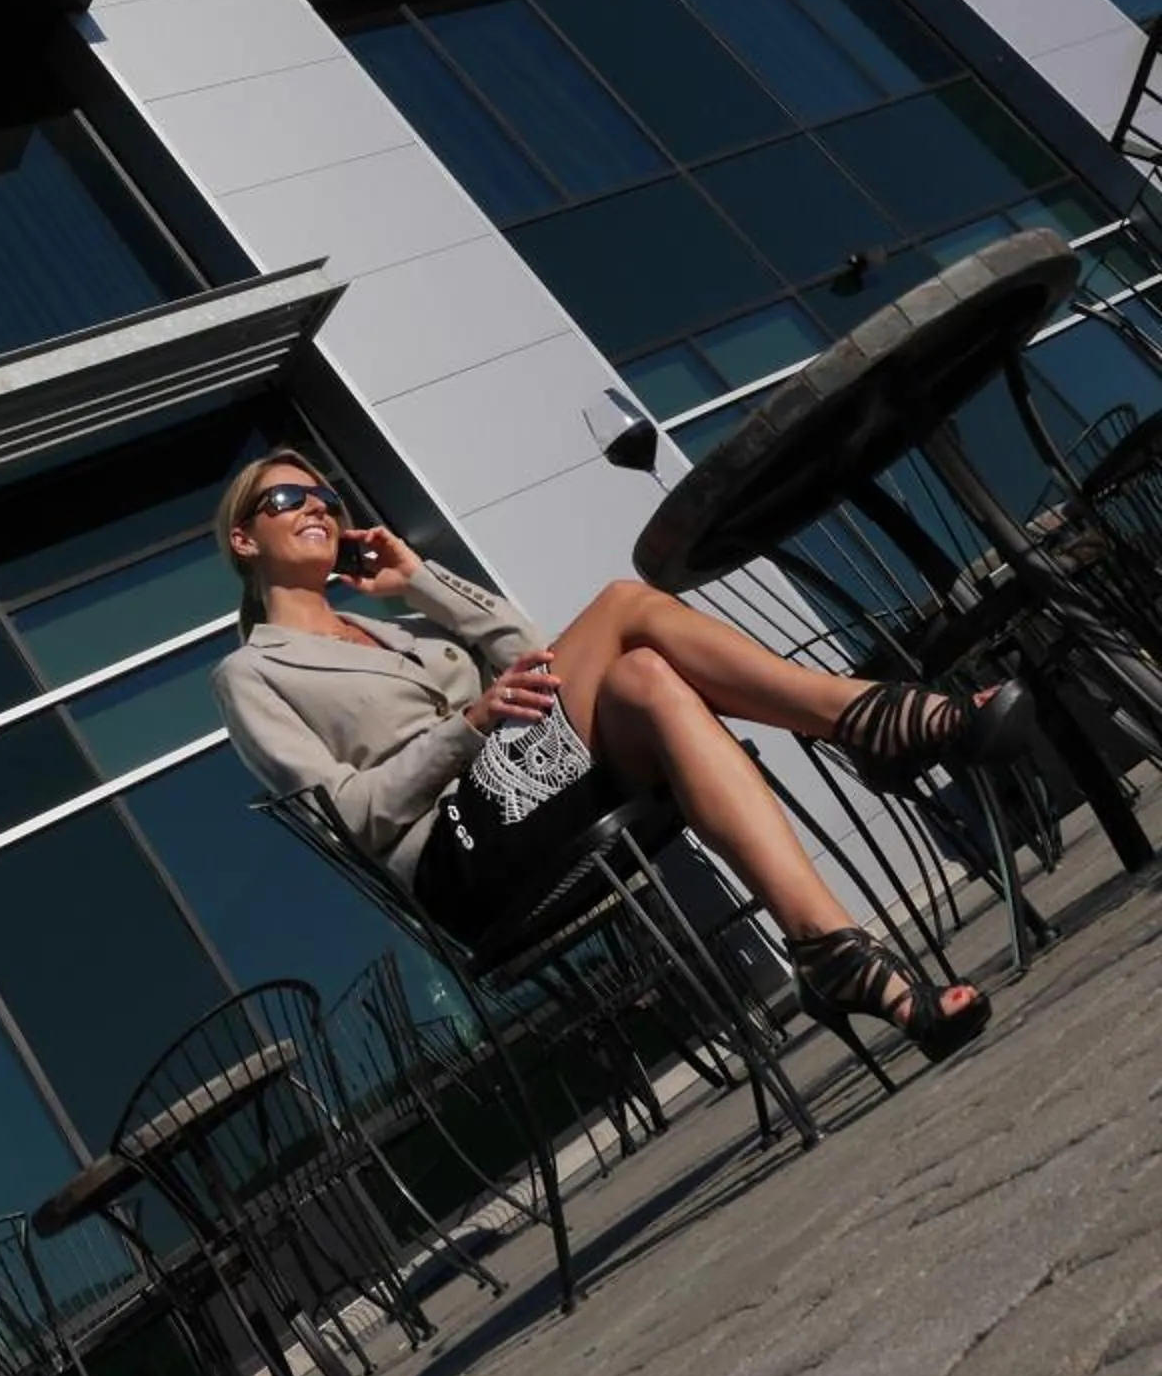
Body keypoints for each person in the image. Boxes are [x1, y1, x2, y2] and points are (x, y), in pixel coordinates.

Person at [212, 452, 1034, 1063]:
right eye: (289, 497)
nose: (317, 502)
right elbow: (348, 819)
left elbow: (535, 655)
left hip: (525, 796)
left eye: (326, 491)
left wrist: (421, 581)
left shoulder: (395, 630)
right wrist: (467, 725)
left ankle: (834, 955)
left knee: (642, 674)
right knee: (621, 607)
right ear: (245, 539)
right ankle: (863, 720)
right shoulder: (251, 673)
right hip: (454, 857)